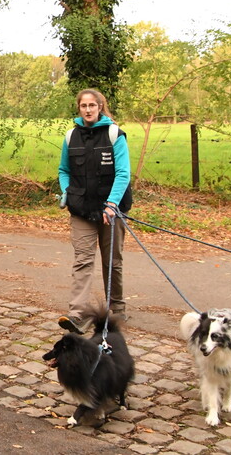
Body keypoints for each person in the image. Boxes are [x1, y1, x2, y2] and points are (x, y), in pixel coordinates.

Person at [57, 88, 132, 334]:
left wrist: (112, 204)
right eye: (83, 106)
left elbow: (123, 173)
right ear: (79, 108)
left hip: (111, 211)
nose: (88, 110)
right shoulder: (71, 137)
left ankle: (117, 308)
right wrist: (68, 193)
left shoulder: (114, 134)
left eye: (92, 105)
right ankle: (77, 315)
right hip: (82, 210)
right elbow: (63, 170)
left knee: (113, 262)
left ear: (100, 107)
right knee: (82, 261)